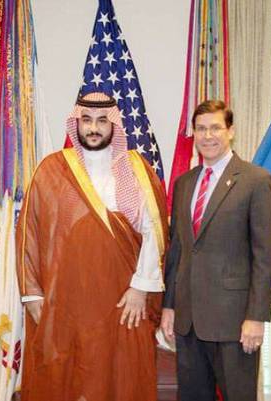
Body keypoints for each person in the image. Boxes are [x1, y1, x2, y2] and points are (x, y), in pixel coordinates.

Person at [16, 91, 168, 401]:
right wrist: (32, 293)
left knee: (122, 376)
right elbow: (29, 231)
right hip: (67, 301)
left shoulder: (137, 169)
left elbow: (154, 233)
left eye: (101, 121)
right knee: (69, 378)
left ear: (114, 125)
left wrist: (141, 288)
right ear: (77, 124)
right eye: (86, 120)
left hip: (124, 299)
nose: (93, 128)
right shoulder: (51, 169)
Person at [160, 100, 271, 401]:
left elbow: (266, 257)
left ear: (231, 131)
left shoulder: (257, 181)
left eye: (215, 128)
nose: (208, 136)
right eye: (201, 129)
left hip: (235, 324)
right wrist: (169, 306)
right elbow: (178, 252)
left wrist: (256, 317)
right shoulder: (184, 184)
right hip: (188, 322)